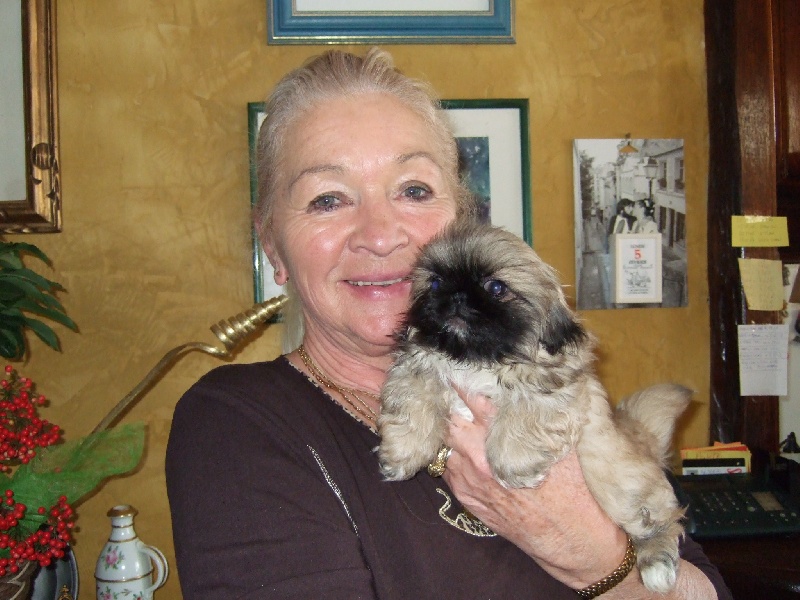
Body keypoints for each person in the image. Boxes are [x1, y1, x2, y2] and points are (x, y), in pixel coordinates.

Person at [166, 48, 730, 599]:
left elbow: (704, 590)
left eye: (414, 190)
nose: (380, 235)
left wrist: (591, 554)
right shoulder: (236, 425)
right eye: (328, 200)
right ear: (272, 246)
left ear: (463, 219)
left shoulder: (550, 378)